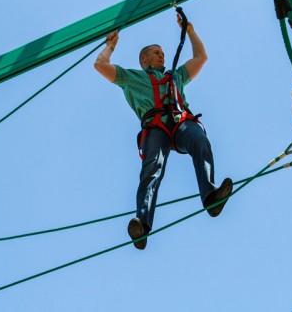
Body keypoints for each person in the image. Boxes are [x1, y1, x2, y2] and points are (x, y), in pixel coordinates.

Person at [94, 14, 233, 250]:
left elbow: (201, 57)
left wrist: (189, 30)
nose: (162, 55)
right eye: (156, 53)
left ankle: (211, 197)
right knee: (152, 167)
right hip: (156, 127)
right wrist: (110, 46)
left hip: (180, 123)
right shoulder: (133, 78)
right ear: (144, 59)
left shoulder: (175, 77)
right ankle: (142, 225)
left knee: (199, 140)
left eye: (162, 53)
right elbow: (101, 66)